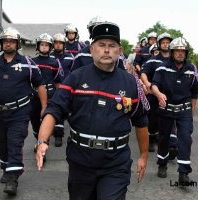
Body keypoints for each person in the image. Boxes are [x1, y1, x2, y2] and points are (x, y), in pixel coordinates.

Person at [36, 22, 149, 199]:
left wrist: (143, 155)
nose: (106, 50)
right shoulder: (76, 78)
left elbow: (141, 121)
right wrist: (42, 141)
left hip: (116, 162)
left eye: (111, 46)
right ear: (91, 49)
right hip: (81, 161)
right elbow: (54, 110)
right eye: (101, 45)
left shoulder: (130, 83)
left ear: (119, 51)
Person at [0, 27, 47, 195]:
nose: (8, 43)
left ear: (17, 44)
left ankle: (13, 178)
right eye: (5, 41)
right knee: (3, 142)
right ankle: (6, 168)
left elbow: (40, 85)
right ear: (1, 44)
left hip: (20, 112)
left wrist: (44, 106)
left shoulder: (28, 64)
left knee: (15, 142)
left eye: (12, 41)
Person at [151, 37, 198, 185]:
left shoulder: (191, 69)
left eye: (182, 50)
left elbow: (194, 94)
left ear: (186, 53)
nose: (180, 53)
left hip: (184, 110)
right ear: (172, 52)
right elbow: (154, 85)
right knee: (164, 138)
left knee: (185, 138)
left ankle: (183, 172)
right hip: (166, 109)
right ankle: (162, 164)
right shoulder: (162, 68)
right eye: (177, 50)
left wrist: (191, 114)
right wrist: (159, 95)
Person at [141, 32, 177, 157]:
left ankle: (171, 146)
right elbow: (143, 73)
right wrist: (147, 84)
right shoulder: (153, 60)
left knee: (170, 120)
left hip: (170, 97)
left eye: (168, 42)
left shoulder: (175, 60)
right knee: (153, 122)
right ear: (159, 44)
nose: (166, 45)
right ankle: (151, 140)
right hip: (153, 96)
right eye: (163, 42)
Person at [30, 33, 61, 156]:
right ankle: (38, 140)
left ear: (50, 47)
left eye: (46, 45)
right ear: (38, 46)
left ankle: (43, 144)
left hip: (50, 95)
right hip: (34, 95)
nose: (44, 47)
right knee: (35, 121)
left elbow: (57, 81)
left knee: (47, 119)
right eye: (42, 45)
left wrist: (59, 95)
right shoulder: (31, 61)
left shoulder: (55, 62)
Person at [49, 33, 74, 147]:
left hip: (66, 88)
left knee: (64, 110)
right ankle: (57, 134)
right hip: (51, 88)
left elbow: (74, 72)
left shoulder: (70, 57)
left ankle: (59, 133)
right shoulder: (49, 57)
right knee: (54, 109)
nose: (58, 45)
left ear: (64, 44)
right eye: (56, 43)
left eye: (60, 43)